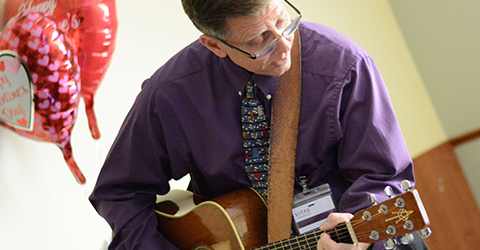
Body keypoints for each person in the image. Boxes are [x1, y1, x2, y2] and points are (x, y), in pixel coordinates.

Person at [89, 0, 428, 249]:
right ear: (214, 44)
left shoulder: (343, 65)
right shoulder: (170, 95)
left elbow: (385, 176)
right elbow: (119, 193)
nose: (284, 46)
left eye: (284, 20)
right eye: (260, 41)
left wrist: (357, 232)